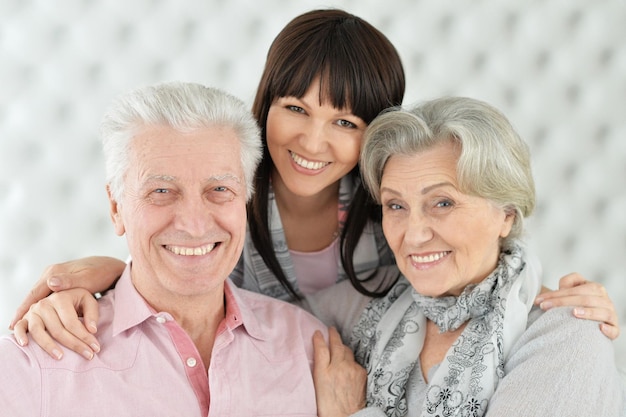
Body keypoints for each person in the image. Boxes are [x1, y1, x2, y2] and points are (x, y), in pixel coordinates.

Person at [9, 9, 619, 360]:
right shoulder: (224, 193)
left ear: (375, 131)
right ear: (266, 101)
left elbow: (474, 256)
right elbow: (170, 259)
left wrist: (564, 297)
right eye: (295, 108)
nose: (313, 142)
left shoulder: (391, 212)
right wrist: (91, 276)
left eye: (345, 122)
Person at [0, 81, 334, 416]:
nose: (194, 224)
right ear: (116, 208)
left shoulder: (312, 349)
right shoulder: (31, 366)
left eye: (219, 188)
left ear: (245, 202)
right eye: (161, 191)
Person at [308, 96, 625, 416]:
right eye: (396, 205)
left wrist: (349, 412)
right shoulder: (375, 299)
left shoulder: (566, 335)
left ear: (507, 215)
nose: (414, 235)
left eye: (443, 203)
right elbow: (262, 325)